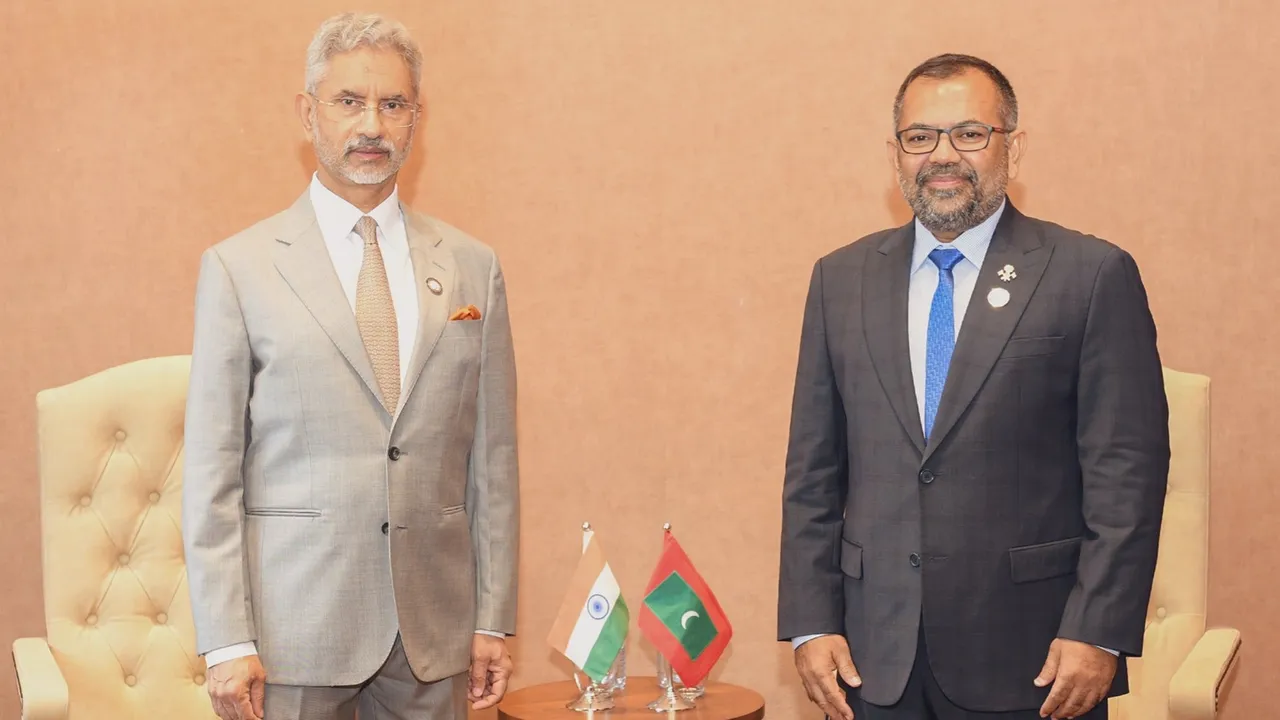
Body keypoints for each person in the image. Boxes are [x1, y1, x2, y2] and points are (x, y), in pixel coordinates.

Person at [776, 54, 1169, 720]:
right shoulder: (838, 281)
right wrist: (812, 624)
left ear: (1013, 148)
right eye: (920, 136)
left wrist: (1098, 628)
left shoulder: (1090, 275)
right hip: (874, 662)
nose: (942, 155)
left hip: (1037, 659)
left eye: (969, 133)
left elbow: (1126, 473)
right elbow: (812, 474)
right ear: (897, 154)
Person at [181, 12, 519, 720]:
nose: (372, 124)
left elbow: (493, 462)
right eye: (349, 102)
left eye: (392, 105)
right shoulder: (239, 270)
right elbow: (212, 471)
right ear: (308, 114)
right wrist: (224, 640)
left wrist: (493, 617)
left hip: (433, 636)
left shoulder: (471, 268)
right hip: (290, 636)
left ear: (416, 119)